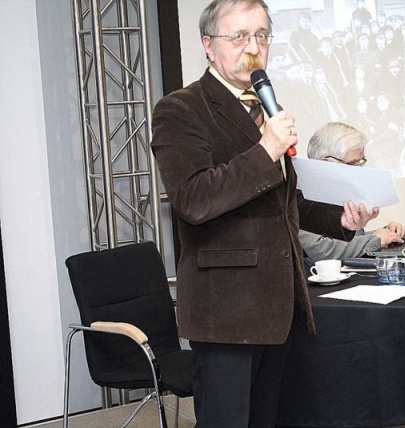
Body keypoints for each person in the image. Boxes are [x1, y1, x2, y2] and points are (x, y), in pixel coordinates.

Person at [150, 1, 378, 426]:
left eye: (261, 35)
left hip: (279, 306)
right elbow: (194, 200)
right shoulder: (180, 109)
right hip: (226, 312)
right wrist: (267, 149)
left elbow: (284, 203)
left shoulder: (263, 106)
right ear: (208, 45)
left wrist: (341, 220)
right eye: (238, 36)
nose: (253, 47)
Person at [299, 122, 405, 263]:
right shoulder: (300, 195)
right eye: (352, 164)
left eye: (360, 163)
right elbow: (322, 250)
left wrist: (387, 233)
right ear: (325, 163)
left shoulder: (340, 189)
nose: (359, 171)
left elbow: (350, 241)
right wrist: (376, 239)